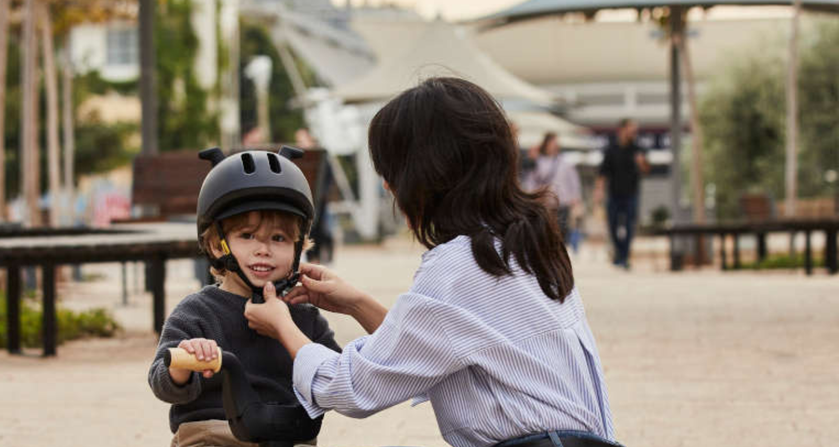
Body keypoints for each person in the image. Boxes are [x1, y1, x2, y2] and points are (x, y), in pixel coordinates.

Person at [243, 77, 620, 447]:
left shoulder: (458, 268)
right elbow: (438, 346)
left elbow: (352, 388)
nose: (390, 188)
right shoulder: (523, 243)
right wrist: (354, 303)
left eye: (391, 175)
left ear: (424, 179)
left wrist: (282, 326)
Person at [147, 148, 341, 447]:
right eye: (247, 236)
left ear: (299, 245)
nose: (263, 249)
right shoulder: (197, 312)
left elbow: (338, 379)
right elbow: (162, 384)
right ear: (216, 245)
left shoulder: (304, 316)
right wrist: (183, 365)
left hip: (289, 436)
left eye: (278, 238)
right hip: (214, 434)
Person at [594, 119, 649, 270]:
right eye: (631, 130)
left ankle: (624, 257)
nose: (633, 133)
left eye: (635, 130)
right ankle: (619, 252)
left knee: (629, 225)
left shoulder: (638, 149)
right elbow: (603, 172)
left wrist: (642, 162)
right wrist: (598, 191)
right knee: (612, 225)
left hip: (631, 194)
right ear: (622, 130)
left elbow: (646, 170)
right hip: (613, 194)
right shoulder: (611, 149)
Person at [525, 132, 583, 251]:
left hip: (562, 201)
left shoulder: (565, 162)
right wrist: (532, 195)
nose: (554, 146)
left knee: (561, 231)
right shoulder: (537, 161)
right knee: (543, 231)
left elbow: (573, 180)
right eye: (552, 143)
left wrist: (575, 196)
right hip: (543, 202)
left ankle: (558, 253)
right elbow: (530, 179)